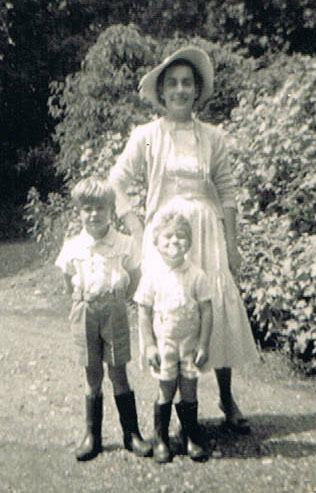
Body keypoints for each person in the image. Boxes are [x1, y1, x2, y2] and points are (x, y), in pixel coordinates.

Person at [109, 46, 258, 435]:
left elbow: (226, 191)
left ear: (197, 91)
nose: (179, 89)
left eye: (186, 83)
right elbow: (119, 182)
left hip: (207, 233)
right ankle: (175, 410)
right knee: (170, 312)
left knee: (215, 307)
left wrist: (234, 244)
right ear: (162, 92)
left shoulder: (212, 137)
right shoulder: (147, 136)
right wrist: (139, 231)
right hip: (166, 236)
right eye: (172, 83)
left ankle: (226, 397)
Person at [55, 176, 152, 461]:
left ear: (112, 210)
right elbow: (66, 280)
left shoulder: (124, 244)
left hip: (115, 309)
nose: (94, 214)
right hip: (84, 309)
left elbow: (135, 277)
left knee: (118, 371)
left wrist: (117, 299)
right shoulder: (73, 246)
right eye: (87, 208)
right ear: (79, 211)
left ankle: (131, 434)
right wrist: (82, 300)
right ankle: (92, 436)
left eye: (100, 208)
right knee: (92, 372)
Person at [134, 209, 213, 463]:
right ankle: (161, 439)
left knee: (189, 389)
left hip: (190, 344)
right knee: (166, 388)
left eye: (180, 236)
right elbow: (143, 312)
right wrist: (148, 345)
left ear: (188, 242)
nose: (174, 242)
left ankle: (191, 436)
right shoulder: (152, 276)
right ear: (156, 244)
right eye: (167, 237)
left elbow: (207, 311)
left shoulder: (197, 275)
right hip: (165, 344)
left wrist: (203, 344)